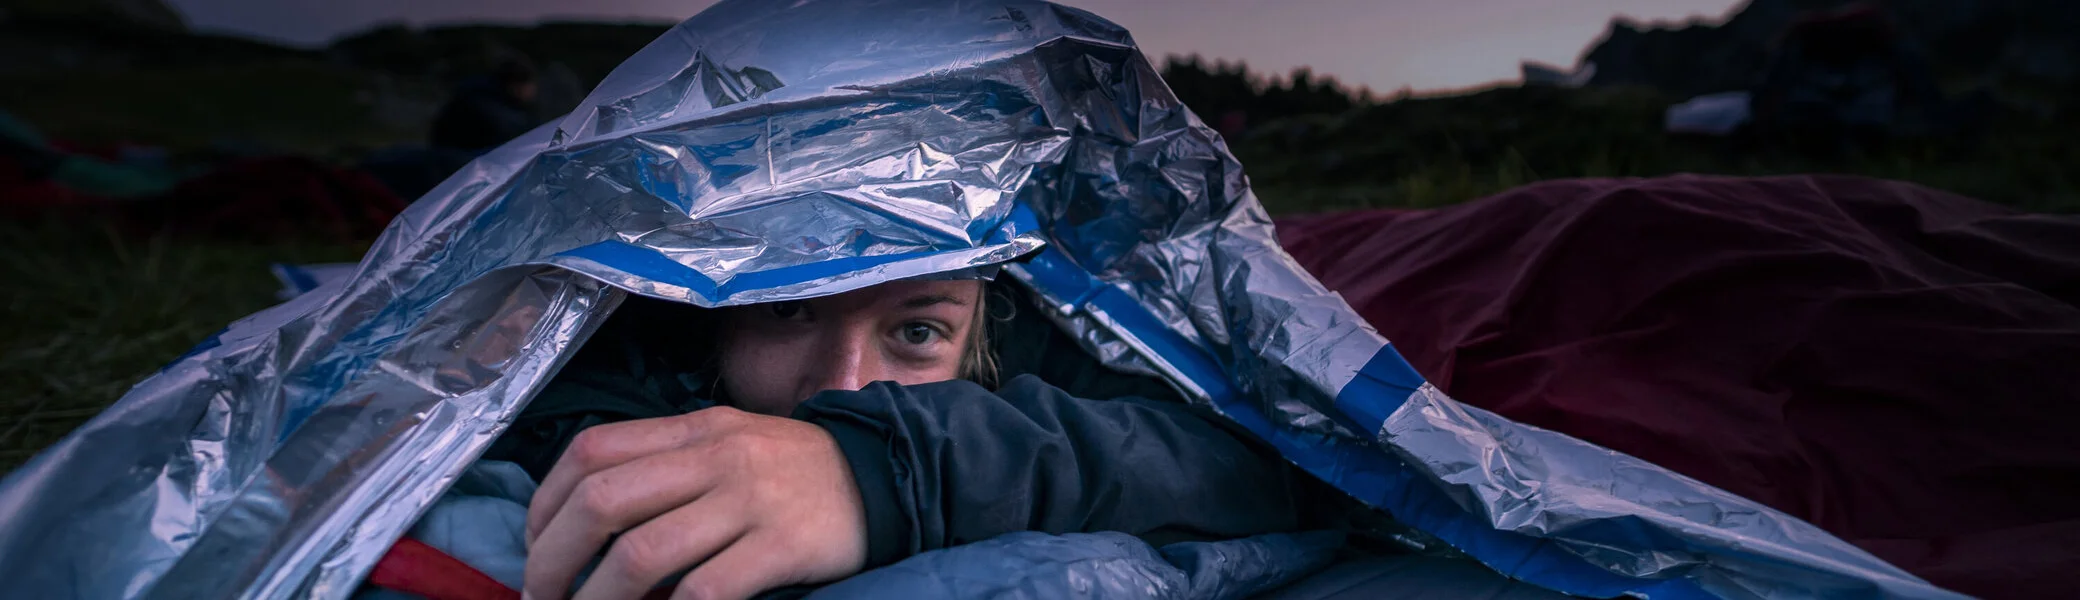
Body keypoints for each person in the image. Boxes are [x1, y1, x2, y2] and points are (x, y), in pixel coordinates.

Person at [489, 276, 1331, 599]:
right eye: (788, 310)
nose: (846, 383)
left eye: (918, 332)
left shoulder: (1051, 331)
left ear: (980, 344)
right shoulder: (610, 357)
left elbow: (1273, 460)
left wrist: (888, 470)